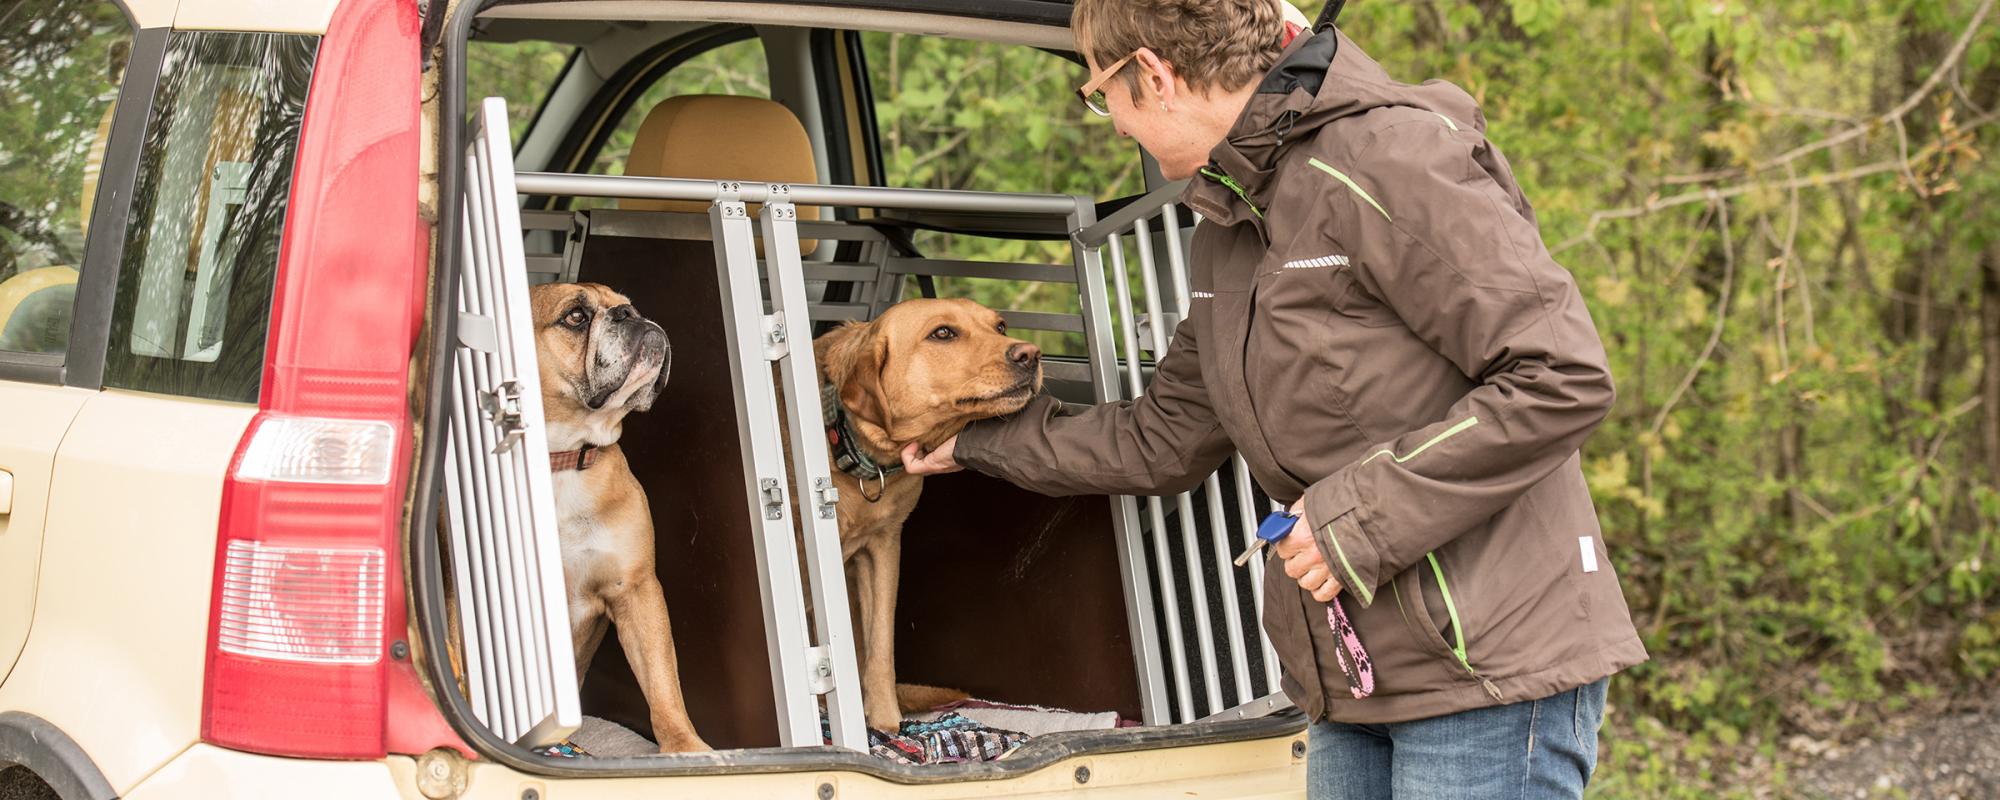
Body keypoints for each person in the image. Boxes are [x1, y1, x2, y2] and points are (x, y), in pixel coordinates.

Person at [899, 0, 1648, 796]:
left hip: (1491, 673)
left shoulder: (1390, 157)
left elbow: (1559, 374)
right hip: (1349, 683)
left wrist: (1350, 520)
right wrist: (976, 442)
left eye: (1101, 94)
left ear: (1154, 75)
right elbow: (1163, 436)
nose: (1113, 123)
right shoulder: (1229, 226)